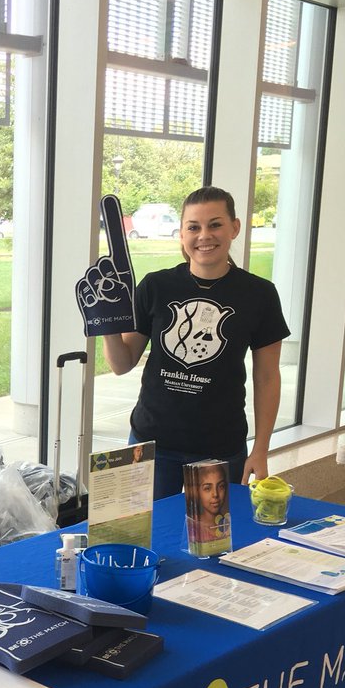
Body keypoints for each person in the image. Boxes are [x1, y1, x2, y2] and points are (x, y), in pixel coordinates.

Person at [103, 186, 290, 499]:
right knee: (141, 538)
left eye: (215, 224)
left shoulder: (259, 294)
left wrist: (260, 449)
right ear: (182, 234)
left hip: (219, 449)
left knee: (211, 543)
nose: (204, 235)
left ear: (235, 227)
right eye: (194, 227)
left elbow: (268, 377)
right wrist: (106, 322)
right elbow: (122, 364)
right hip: (149, 442)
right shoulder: (156, 286)